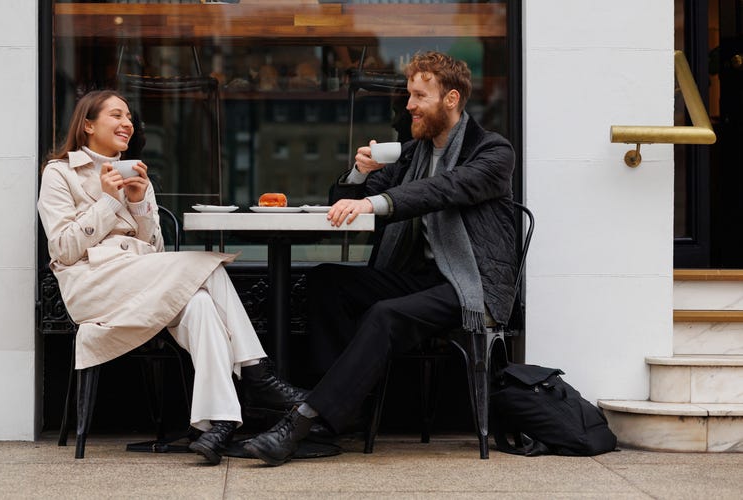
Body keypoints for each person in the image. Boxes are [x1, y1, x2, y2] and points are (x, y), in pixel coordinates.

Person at [244, 51, 517, 465]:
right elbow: (341, 204)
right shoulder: (412, 153)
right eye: (409, 95)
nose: (408, 105)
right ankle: (336, 405)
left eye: (418, 96)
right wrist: (359, 174)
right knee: (325, 281)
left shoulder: (492, 152)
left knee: (385, 314)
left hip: (470, 285)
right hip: (420, 276)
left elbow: (442, 190)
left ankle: (305, 419)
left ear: (451, 98)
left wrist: (378, 201)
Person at [37, 90, 309, 466]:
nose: (127, 123)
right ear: (87, 124)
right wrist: (109, 201)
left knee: (199, 305)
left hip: (141, 282)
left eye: (129, 116)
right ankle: (257, 374)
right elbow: (63, 249)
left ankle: (217, 425)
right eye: (116, 115)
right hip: (94, 287)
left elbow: (154, 248)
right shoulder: (60, 172)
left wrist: (137, 201)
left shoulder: (135, 175)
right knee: (208, 264)